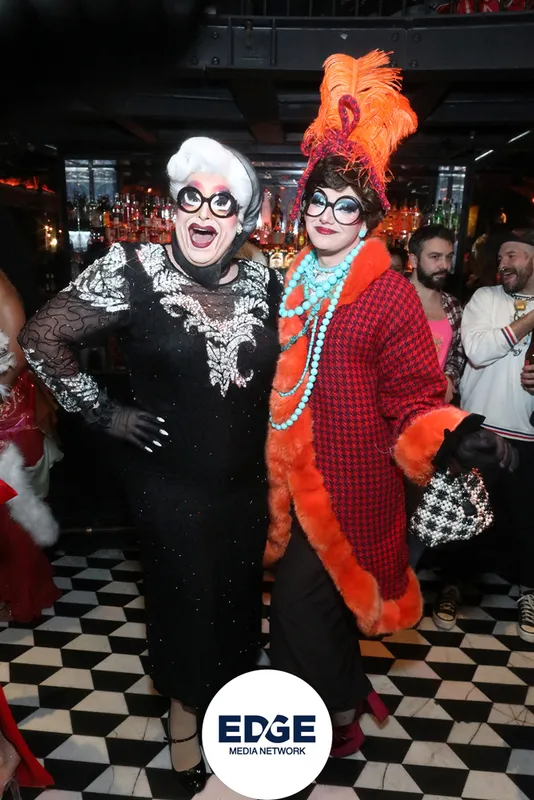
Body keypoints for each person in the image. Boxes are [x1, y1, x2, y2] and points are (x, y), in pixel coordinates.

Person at [264, 50, 517, 759]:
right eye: (318, 200)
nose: (327, 215)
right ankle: (339, 700)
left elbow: (413, 397)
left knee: (297, 610)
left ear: (368, 216)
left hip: (351, 487)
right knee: (311, 609)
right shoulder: (295, 280)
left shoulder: (388, 295)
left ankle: (331, 715)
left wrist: (452, 433)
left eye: (345, 204)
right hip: (292, 480)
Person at [19, 137, 282, 793]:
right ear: (173, 207)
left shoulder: (266, 280)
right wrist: (104, 413)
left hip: (246, 485)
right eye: (191, 197)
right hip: (168, 484)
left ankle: (227, 711)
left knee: (235, 604)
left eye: (222, 202)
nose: (204, 211)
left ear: (242, 220)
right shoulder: (132, 268)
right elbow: (40, 336)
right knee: (185, 603)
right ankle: (183, 723)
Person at [434, 229, 534, 641]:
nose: (503, 263)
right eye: (501, 257)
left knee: (526, 520)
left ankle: (528, 590)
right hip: (478, 430)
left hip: (527, 434)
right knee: (465, 518)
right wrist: (530, 319)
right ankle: (452, 586)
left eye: (513, 256)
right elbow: (477, 350)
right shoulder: (484, 298)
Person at [0, 271, 61, 623]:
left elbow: (19, 351)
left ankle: (23, 597)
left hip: (10, 421)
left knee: (14, 514)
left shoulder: (1, 289)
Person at [409, 225, 465, 404]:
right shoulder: (391, 299)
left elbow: (457, 354)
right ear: (414, 260)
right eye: (435, 257)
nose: (445, 266)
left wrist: (449, 378)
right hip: (392, 408)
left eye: (448, 257)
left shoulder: (453, 306)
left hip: (433, 408)